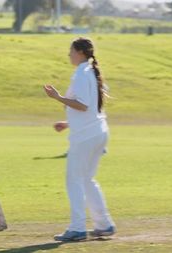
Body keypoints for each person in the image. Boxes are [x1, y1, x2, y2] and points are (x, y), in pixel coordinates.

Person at [43, 37, 116, 241]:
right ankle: (104, 224)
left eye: (71, 51)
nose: (69, 54)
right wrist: (68, 123)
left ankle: (77, 228)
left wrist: (57, 97)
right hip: (97, 132)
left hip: (86, 137)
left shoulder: (83, 74)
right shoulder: (90, 72)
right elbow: (90, 108)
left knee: (74, 180)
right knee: (86, 180)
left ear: (81, 53)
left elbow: (83, 105)